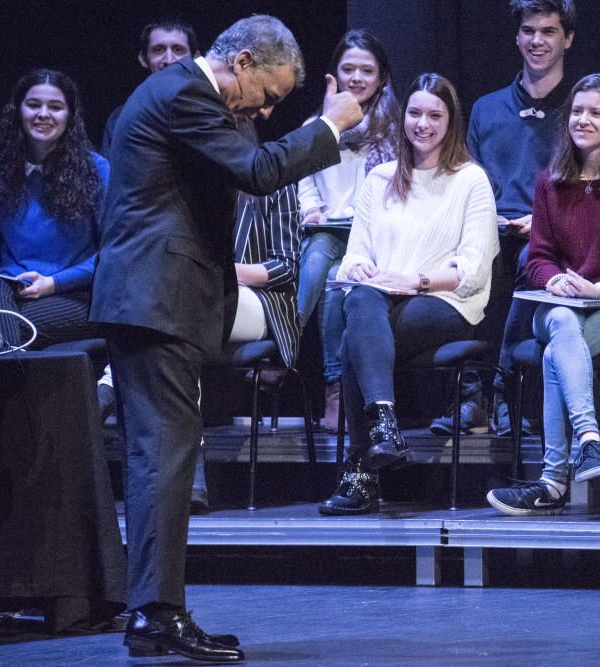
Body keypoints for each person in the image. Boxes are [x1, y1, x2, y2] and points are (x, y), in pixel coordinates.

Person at [89, 15, 362, 661]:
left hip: (159, 299)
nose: (268, 107)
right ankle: (156, 613)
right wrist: (331, 126)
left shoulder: (190, 96)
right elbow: (260, 171)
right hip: (154, 298)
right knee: (164, 459)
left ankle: (156, 614)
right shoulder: (184, 92)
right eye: (269, 91)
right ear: (242, 62)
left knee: (163, 458)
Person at [319, 73, 498, 515]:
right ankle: (383, 424)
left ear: (450, 121)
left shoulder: (470, 180)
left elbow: (473, 272)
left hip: (447, 303)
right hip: (380, 300)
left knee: (353, 337)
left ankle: (361, 473)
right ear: (403, 119)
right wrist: (359, 267)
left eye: (435, 115)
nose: (423, 124)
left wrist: (415, 281)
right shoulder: (379, 178)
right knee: (359, 300)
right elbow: (352, 256)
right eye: (415, 113)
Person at [487, 73, 600, 517]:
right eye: (577, 112)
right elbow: (538, 255)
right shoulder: (551, 181)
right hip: (559, 305)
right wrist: (553, 281)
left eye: (595, 113)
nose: (583, 120)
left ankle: (552, 481)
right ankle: (589, 442)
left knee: (553, 357)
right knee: (562, 323)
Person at [432, 0, 577, 437]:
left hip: (552, 233)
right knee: (461, 262)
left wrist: (545, 219)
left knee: (531, 259)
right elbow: (465, 181)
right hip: (488, 229)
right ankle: (472, 396)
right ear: (517, 37)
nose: (537, 41)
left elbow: (594, 183)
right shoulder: (486, 108)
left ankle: (504, 392)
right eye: (529, 31)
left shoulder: (580, 108)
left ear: (567, 38)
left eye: (548, 31)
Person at [295, 28, 400, 432]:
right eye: (349, 68)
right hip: (329, 229)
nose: (357, 78)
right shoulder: (318, 125)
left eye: (367, 71)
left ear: (381, 77)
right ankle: (320, 376)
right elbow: (301, 175)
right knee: (320, 258)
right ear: (335, 73)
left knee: (334, 287)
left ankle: (329, 386)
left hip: (371, 237)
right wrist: (311, 207)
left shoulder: (394, 126)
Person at [0, 69, 109, 351]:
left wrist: (54, 283)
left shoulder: (96, 170)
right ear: (18, 111)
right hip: (7, 289)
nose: (43, 114)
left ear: (69, 116)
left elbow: (114, 249)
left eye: (55, 107)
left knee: (11, 330)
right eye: (33, 105)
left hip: (76, 293)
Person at [101, 19, 199, 156]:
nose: (169, 60)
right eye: (158, 50)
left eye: (178, 50)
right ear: (143, 58)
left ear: (195, 59)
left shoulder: (213, 112)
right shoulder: (121, 118)